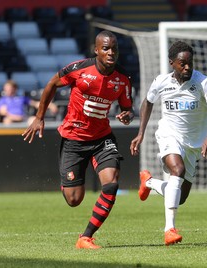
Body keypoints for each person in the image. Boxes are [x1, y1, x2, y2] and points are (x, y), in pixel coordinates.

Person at [22, 30, 134, 249]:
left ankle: (86, 237)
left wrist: (127, 115)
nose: (111, 52)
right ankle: (68, 180)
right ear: (96, 50)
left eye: (114, 48)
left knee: (111, 183)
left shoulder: (122, 79)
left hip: (102, 138)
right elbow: (52, 84)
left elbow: (127, 109)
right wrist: (39, 117)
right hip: (74, 139)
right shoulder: (79, 69)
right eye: (106, 48)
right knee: (74, 200)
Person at [130, 41, 207, 245]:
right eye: (182, 63)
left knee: (179, 197)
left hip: (194, 144)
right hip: (169, 134)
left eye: (190, 63)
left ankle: (148, 182)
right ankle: (169, 229)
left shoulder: (203, 82)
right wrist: (141, 133)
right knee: (177, 170)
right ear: (172, 63)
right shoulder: (161, 81)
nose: (187, 67)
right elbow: (148, 101)